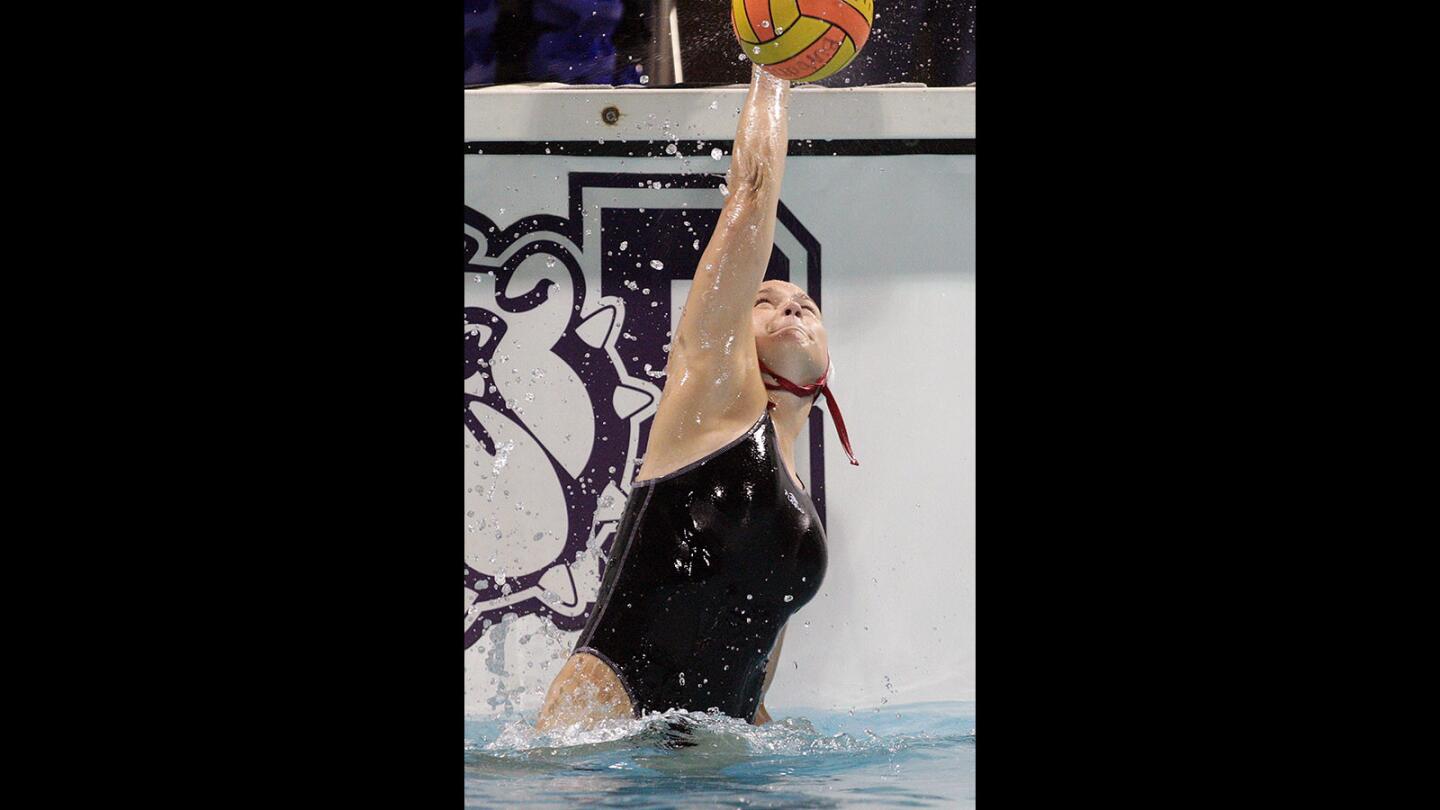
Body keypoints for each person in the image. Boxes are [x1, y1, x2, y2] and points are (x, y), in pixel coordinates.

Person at [533, 63, 856, 731]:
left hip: (706, 754)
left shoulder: (795, 494)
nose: (790, 303)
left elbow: (756, 649)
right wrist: (774, 76)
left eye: (805, 303)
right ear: (735, 334)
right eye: (763, 301)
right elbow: (754, 190)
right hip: (604, 729)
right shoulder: (712, 400)